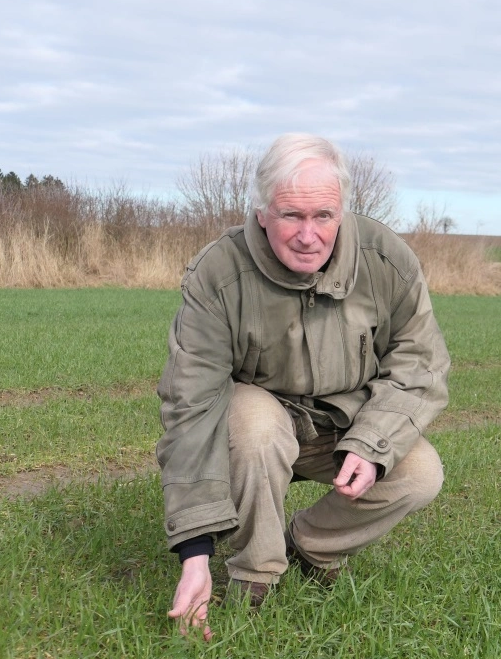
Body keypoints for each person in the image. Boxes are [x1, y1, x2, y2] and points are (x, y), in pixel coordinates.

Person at [155, 133, 450, 639]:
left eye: (324, 216)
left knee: (421, 471)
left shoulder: (387, 261)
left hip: (344, 424)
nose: (308, 235)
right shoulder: (218, 274)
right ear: (262, 211)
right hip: (257, 429)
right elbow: (192, 406)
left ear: (343, 211)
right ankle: (254, 579)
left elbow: (419, 363)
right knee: (253, 422)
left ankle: (312, 544)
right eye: (292, 215)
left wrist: (372, 443)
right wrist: (195, 553)